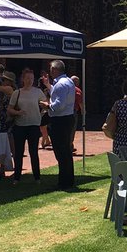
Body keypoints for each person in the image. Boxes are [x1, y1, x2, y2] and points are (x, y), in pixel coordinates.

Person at [7, 67, 46, 182]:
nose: (30, 80)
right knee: (18, 152)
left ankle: (37, 177)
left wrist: (44, 105)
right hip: (20, 125)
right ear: (23, 79)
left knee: (33, 152)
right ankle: (17, 177)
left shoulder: (37, 92)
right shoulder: (17, 93)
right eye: (27, 78)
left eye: (32, 78)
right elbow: (10, 109)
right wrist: (18, 112)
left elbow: (45, 103)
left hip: (33, 124)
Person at [46, 60, 77, 190]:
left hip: (60, 120)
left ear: (54, 70)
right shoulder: (68, 81)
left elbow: (59, 105)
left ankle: (64, 181)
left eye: (51, 69)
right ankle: (68, 179)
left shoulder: (60, 84)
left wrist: (47, 105)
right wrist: (48, 86)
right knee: (66, 151)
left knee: (61, 151)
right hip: (67, 118)